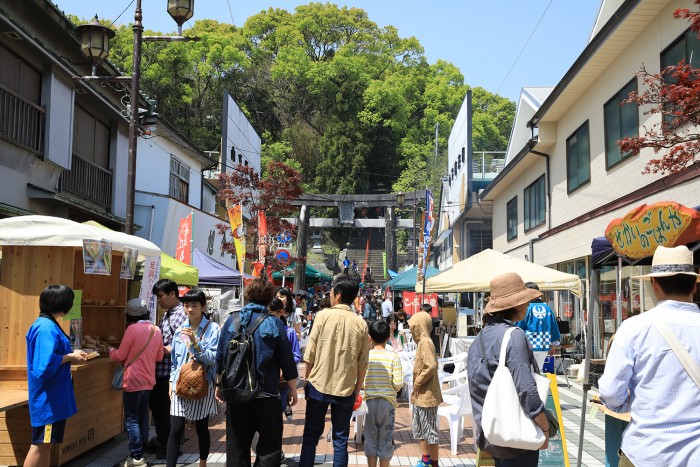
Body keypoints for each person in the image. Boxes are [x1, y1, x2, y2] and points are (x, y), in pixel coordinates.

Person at [599, 245, 700, 467]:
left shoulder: (634, 328)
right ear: (694, 284)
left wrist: (632, 405)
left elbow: (610, 392)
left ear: (654, 284)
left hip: (645, 452)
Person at [467, 273, 550, 467]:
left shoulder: (479, 339)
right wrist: (545, 428)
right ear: (516, 305)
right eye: (525, 301)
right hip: (517, 437)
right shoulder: (514, 336)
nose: (528, 305)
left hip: (492, 434)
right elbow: (526, 389)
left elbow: (476, 386)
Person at [215, 279, 299, 467]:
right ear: (269, 298)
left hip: (236, 394)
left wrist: (219, 384)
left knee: (237, 446)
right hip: (267, 394)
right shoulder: (274, 323)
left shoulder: (232, 320)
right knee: (270, 447)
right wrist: (292, 389)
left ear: (247, 296)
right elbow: (287, 360)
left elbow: (220, 356)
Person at [299, 274, 370, 467]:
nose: (330, 295)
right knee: (340, 441)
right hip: (345, 388)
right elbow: (363, 362)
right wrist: (357, 389)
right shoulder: (360, 323)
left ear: (337, 295)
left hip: (318, 385)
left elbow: (310, 353)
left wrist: (305, 380)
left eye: (331, 292)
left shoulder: (321, 316)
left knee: (311, 436)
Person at [25, 285, 88, 467]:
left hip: (51, 398)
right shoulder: (47, 328)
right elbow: (43, 367)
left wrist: (69, 355)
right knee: (40, 445)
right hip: (49, 400)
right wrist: (69, 357)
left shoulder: (46, 324)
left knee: (46, 444)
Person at [167, 289, 220, 467]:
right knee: (175, 429)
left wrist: (195, 344)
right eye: (186, 305)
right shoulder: (180, 330)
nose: (189, 309)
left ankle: (203, 462)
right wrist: (171, 381)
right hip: (180, 383)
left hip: (202, 384)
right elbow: (175, 361)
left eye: (194, 305)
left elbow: (212, 359)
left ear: (203, 307)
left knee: (201, 427)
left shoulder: (212, 329)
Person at [110, 298, 165, 467]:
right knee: (142, 418)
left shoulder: (132, 329)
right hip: (148, 380)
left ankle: (136, 457)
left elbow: (120, 355)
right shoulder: (156, 330)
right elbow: (159, 356)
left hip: (133, 379)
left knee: (132, 420)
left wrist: (110, 351)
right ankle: (139, 455)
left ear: (129, 314)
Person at [148, 279, 187, 457]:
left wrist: (161, 349)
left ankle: (172, 446)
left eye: (161, 296)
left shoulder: (179, 315)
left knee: (167, 411)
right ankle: (163, 440)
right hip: (162, 371)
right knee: (159, 408)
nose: (159, 300)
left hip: (170, 372)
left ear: (172, 294)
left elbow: (183, 345)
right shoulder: (169, 313)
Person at [364, 320, 403, 467]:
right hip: (387, 403)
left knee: (370, 437)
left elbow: (360, 381)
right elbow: (398, 383)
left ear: (370, 337)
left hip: (370, 402)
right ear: (388, 337)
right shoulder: (393, 357)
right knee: (386, 439)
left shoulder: (366, 357)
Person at [409, 310, 443, 467]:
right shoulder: (422, 342)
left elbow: (431, 366)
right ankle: (425, 459)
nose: (411, 330)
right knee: (421, 429)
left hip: (426, 394)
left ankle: (433, 463)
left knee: (429, 431)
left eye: (413, 327)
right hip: (420, 395)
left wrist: (417, 383)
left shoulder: (425, 343)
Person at [515, 282, 561, 371]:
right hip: (543, 344)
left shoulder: (526, 307)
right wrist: (552, 345)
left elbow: (519, 326)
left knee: (528, 372)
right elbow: (553, 327)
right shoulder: (547, 308)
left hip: (528, 344)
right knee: (538, 371)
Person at [269, 297, 301, 422]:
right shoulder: (263, 330)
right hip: (268, 378)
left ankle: (285, 406)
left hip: (284, 379)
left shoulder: (289, 333)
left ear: (280, 313)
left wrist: (284, 366)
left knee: (278, 409)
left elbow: (296, 355)